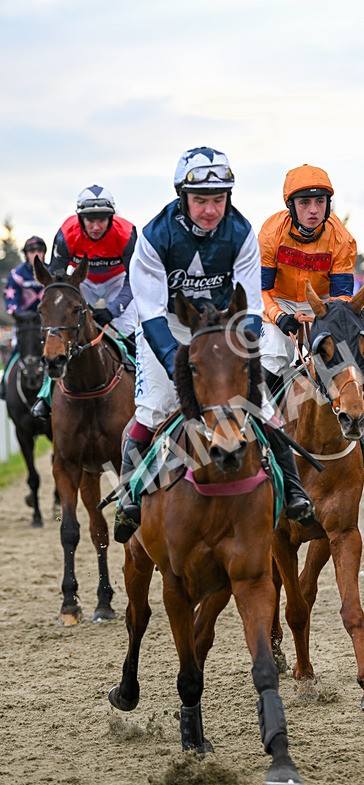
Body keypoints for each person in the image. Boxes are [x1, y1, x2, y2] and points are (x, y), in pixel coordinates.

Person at [114, 146, 315, 542]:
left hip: (222, 329)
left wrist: (240, 356)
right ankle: (128, 498)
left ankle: (293, 491)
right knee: (154, 408)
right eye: (200, 200)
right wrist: (178, 363)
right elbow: (151, 310)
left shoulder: (240, 232)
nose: (210, 209)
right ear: (183, 197)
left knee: (262, 404)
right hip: (167, 326)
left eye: (218, 199)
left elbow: (252, 309)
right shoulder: (154, 237)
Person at [258, 163, 364, 468]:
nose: (314, 210)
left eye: (320, 202)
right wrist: (279, 317)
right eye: (305, 203)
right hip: (279, 301)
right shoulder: (270, 233)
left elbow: (342, 298)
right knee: (275, 353)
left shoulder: (342, 239)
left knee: (345, 355)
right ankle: (260, 431)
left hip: (325, 306)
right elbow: (259, 290)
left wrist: (324, 320)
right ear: (291, 206)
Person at [31, 185, 138, 418]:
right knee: (63, 333)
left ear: (112, 219)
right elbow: (55, 283)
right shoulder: (66, 233)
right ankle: (46, 395)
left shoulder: (127, 233)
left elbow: (135, 280)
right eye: (90, 220)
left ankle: (143, 391)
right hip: (83, 280)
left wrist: (113, 309)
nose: (96, 226)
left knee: (127, 332)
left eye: (102, 220)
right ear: (81, 219)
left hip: (119, 281)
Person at [0, 236, 49, 400]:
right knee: (15, 349)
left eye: (40, 251)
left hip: (46, 324)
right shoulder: (16, 275)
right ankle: (4, 384)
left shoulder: (50, 273)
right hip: (24, 325)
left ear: (44, 253)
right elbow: (10, 300)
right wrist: (20, 313)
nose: (36, 254)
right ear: (26, 254)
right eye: (32, 251)